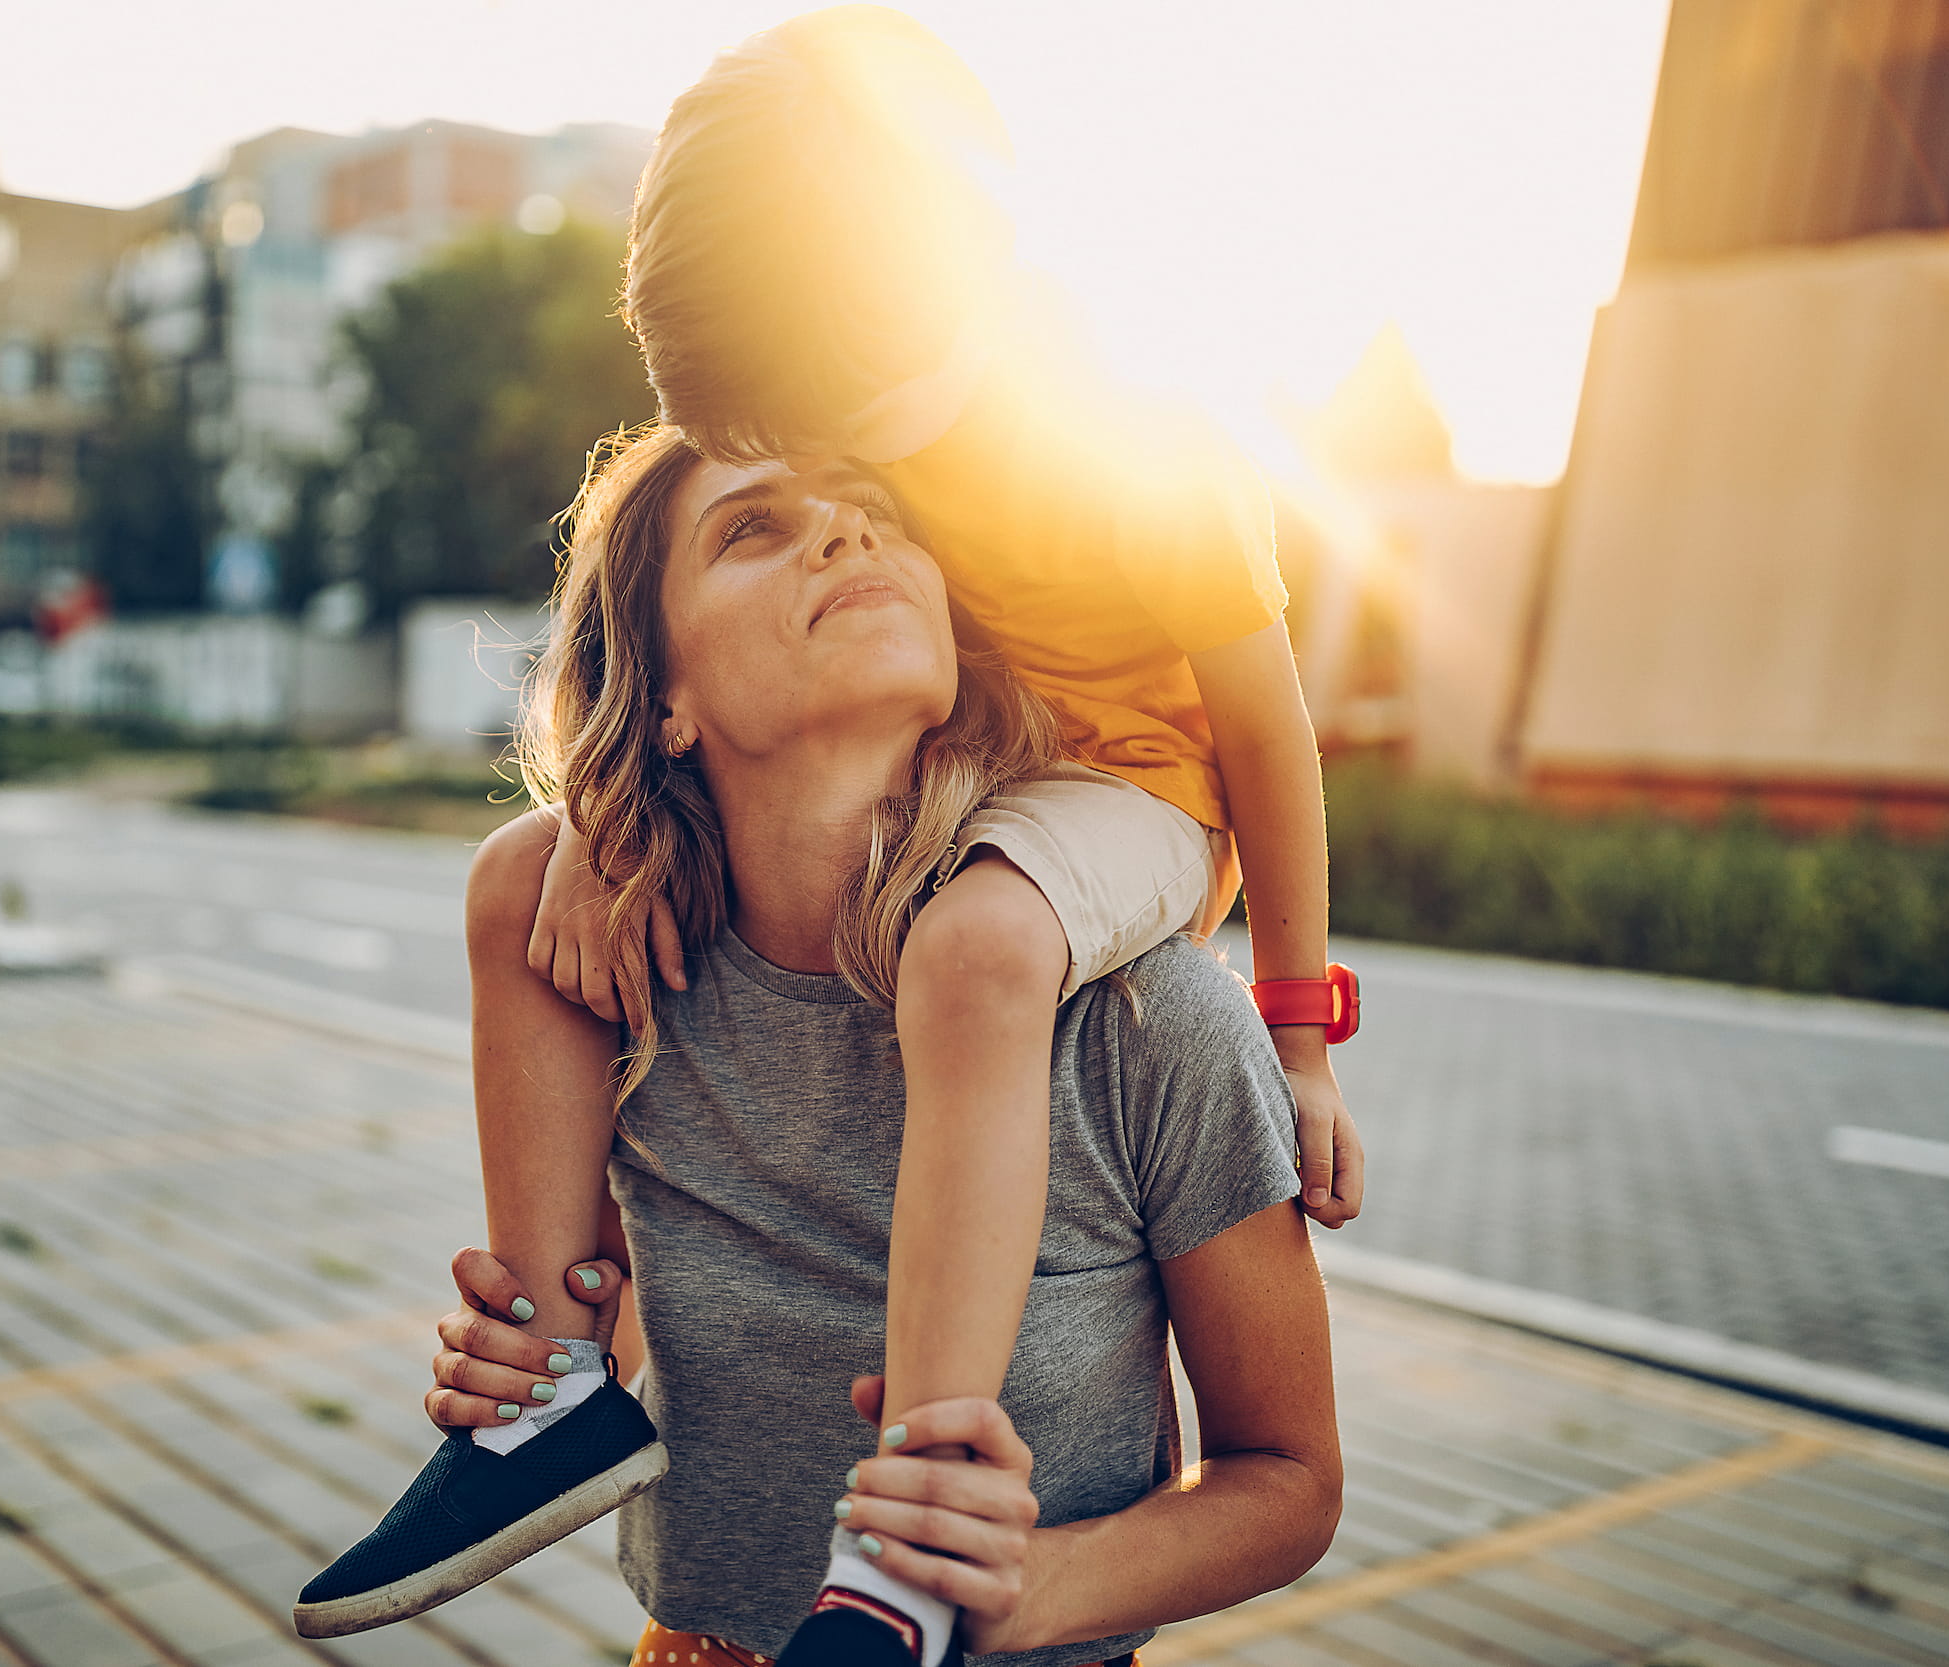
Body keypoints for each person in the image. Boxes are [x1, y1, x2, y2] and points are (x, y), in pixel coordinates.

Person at [516, 9, 1363, 1658]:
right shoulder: (832, 380)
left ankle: (919, 1504)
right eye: (778, 453)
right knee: (535, 878)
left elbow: (1268, 728)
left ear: (965, 265)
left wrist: (1299, 1035)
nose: (842, 482)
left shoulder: (1134, 433)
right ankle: (533, 1425)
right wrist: (600, 815)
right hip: (998, 781)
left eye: (850, 421)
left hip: (1144, 799)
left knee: (976, 948)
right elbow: (668, 590)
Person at [299, 431, 1342, 1663]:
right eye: (753, 529)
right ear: (666, 694)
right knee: (511, 872)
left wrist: (1034, 1585)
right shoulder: (618, 967)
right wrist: (546, 1341)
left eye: (876, 511)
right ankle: (542, 1407)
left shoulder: (1143, 1023)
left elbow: (1290, 1479)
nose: (844, 534)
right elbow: (674, 1328)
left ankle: (901, 1572)